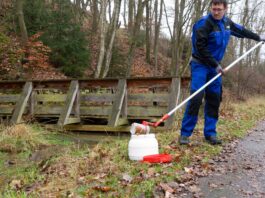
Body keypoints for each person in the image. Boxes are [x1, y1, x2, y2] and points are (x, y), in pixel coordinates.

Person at [179, 0, 265, 145]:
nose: (216, 12)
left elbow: (241, 31)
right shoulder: (203, 24)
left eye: (219, 9)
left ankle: (210, 133)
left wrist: (258, 37)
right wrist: (216, 65)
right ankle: (185, 134)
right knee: (196, 96)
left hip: (215, 68)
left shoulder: (227, 23)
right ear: (211, 8)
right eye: (214, 9)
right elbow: (200, 47)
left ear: (225, 9)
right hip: (200, 64)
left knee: (214, 98)